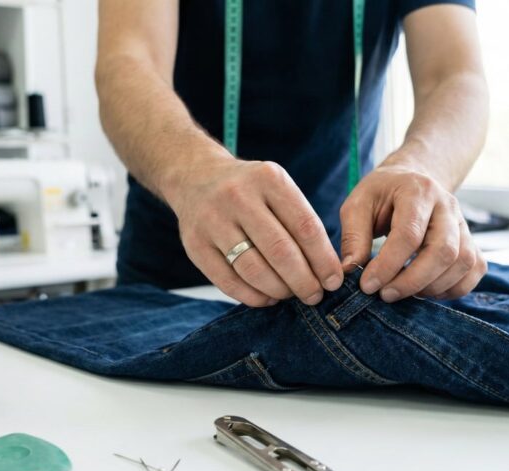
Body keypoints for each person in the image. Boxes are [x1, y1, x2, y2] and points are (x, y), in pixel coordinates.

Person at [95, 0, 488, 308]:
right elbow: (129, 61)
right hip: (175, 273)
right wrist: (195, 172)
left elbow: (455, 77)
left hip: (343, 271)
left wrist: (419, 168)